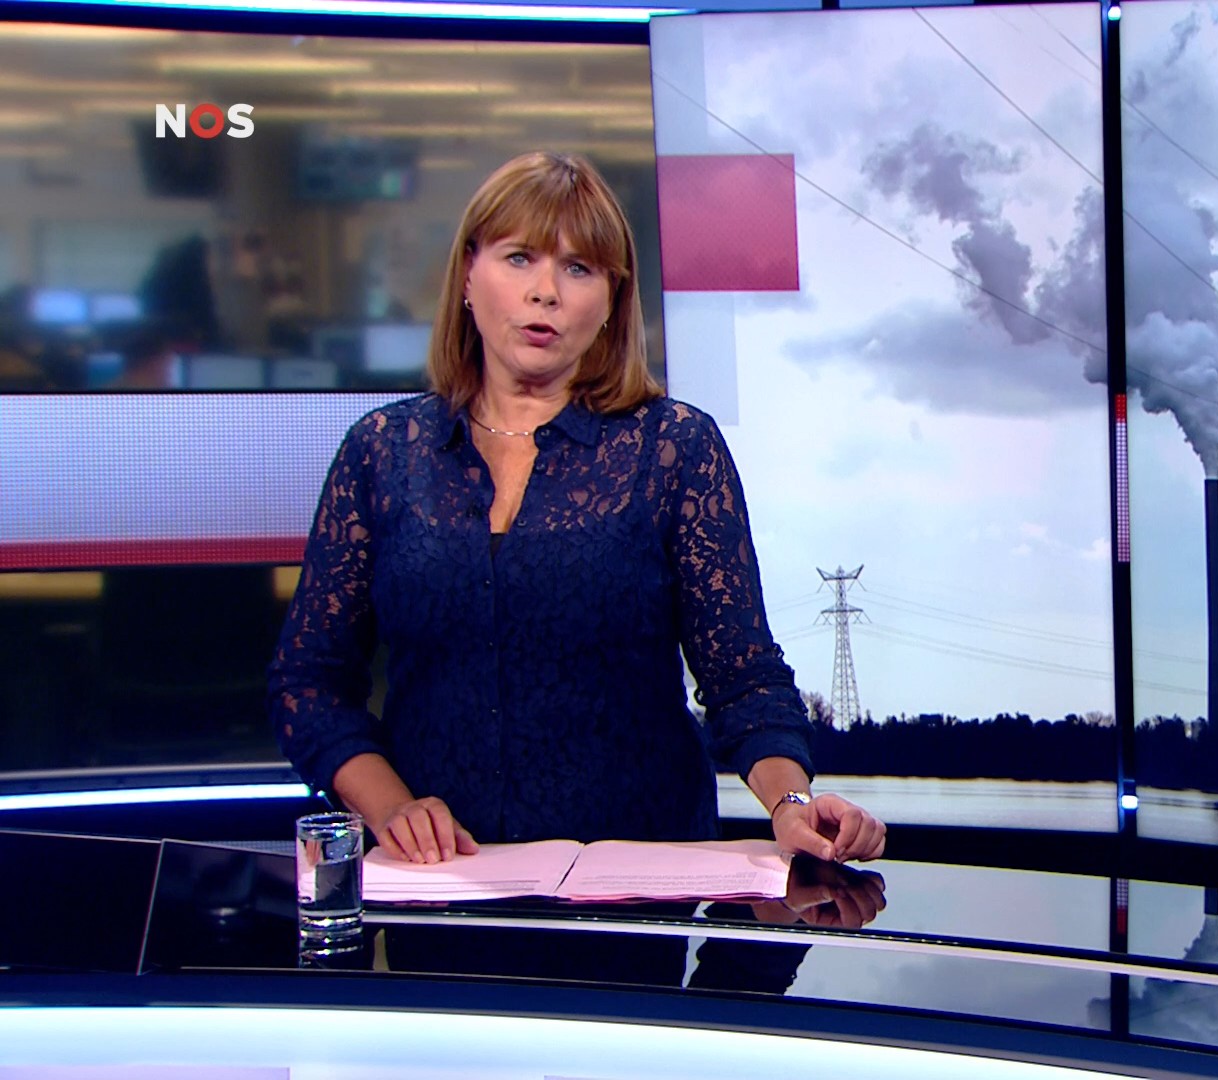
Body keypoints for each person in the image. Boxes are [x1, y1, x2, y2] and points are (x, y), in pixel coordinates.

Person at [267, 151, 886, 869]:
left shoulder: (674, 448)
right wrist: (391, 807)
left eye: (579, 268)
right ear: (467, 274)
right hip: (442, 885)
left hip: (638, 882)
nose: (545, 292)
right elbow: (308, 683)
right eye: (519, 258)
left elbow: (742, 678)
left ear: (612, 299)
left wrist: (792, 803)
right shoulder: (381, 452)